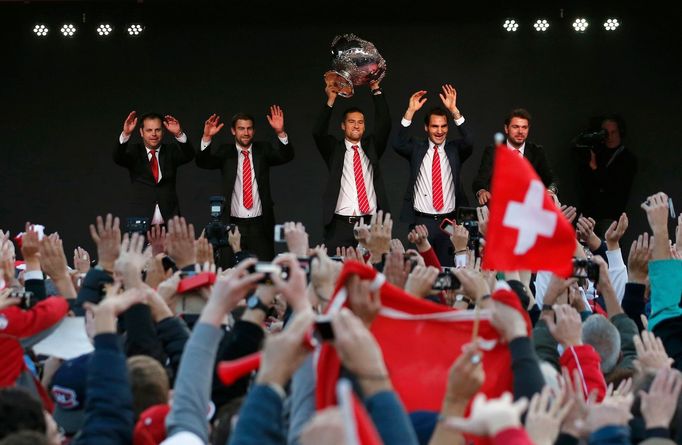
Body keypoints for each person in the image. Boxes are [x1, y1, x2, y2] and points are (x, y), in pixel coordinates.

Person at [197, 106, 294, 262]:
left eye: (249, 128)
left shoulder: (263, 150)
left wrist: (280, 132)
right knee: (229, 273)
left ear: (254, 131)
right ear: (233, 131)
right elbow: (203, 162)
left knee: (264, 273)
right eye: (241, 128)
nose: (246, 132)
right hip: (232, 226)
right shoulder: (225, 152)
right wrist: (207, 137)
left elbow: (286, 156)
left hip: (260, 226)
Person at [391, 84, 473, 266]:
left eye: (444, 126)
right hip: (422, 221)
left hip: (449, 221)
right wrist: (410, 111)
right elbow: (397, 143)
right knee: (420, 273)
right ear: (426, 128)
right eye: (434, 126)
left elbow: (470, 141)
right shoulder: (416, 148)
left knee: (448, 272)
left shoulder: (455, 150)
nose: (440, 131)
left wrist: (454, 110)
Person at [312, 80, 391, 252]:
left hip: (370, 224)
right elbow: (318, 132)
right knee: (338, 274)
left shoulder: (372, 146)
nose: (356, 125)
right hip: (340, 226)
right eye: (351, 121)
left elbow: (384, 123)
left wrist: (375, 89)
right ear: (343, 125)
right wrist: (330, 100)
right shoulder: (334, 149)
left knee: (372, 271)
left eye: (361, 122)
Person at [114, 111, 195, 225]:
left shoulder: (170, 151)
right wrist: (126, 134)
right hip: (140, 222)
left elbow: (189, 155)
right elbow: (118, 158)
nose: (154, 134)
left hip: (170, 222)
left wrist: (179, 134)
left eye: (158, 130)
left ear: (163, 131)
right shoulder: (134, 151)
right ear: (141, 132)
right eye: (149, 130)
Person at [472, 108, 557, 206]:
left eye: (524, 127)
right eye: (516, 127)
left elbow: (552, 180)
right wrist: (482, 191)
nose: (520, 131)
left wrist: (550, 190)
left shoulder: (536, 152)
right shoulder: (493, 151)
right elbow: (479, 180)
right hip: (500, 209)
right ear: (506, 128)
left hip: (529, 209)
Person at [575, 114, 637, 225]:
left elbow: (614, 186)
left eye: (613, 132)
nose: (609, 136)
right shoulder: (597, 152)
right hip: (589, 213)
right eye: (605, 133)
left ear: (620, 132)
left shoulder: (627, 158)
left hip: (610, 216)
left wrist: (595, 168)